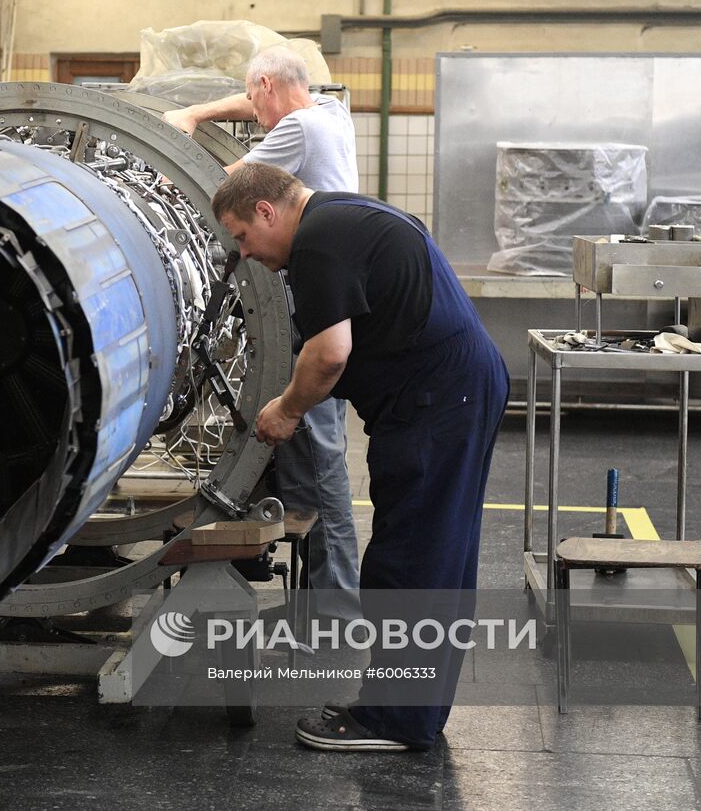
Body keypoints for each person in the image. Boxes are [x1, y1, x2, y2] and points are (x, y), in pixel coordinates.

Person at [211, 163, 509, 753]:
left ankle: (397, 721)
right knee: (435, 554)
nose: (244, 254)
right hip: (451, 388)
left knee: (411, 560)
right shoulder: (345, 213)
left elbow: (329, 355)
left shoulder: (320, 241)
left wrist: (288, 409)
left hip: (438, 400)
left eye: (242, 237)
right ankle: (412, 711)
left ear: (267, 211)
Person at [163, 47, 361, 606]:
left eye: (254, 97)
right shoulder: (328, 112)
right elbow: (257, 104)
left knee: (318, 464)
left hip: (311, 309)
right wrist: (199, 113)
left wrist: (160, 164)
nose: (252, 112)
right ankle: (320, 602)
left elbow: (220, 187)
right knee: (311, 455)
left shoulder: (296, 130)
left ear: (269, 86)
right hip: (330, 302)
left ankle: (335, 610)